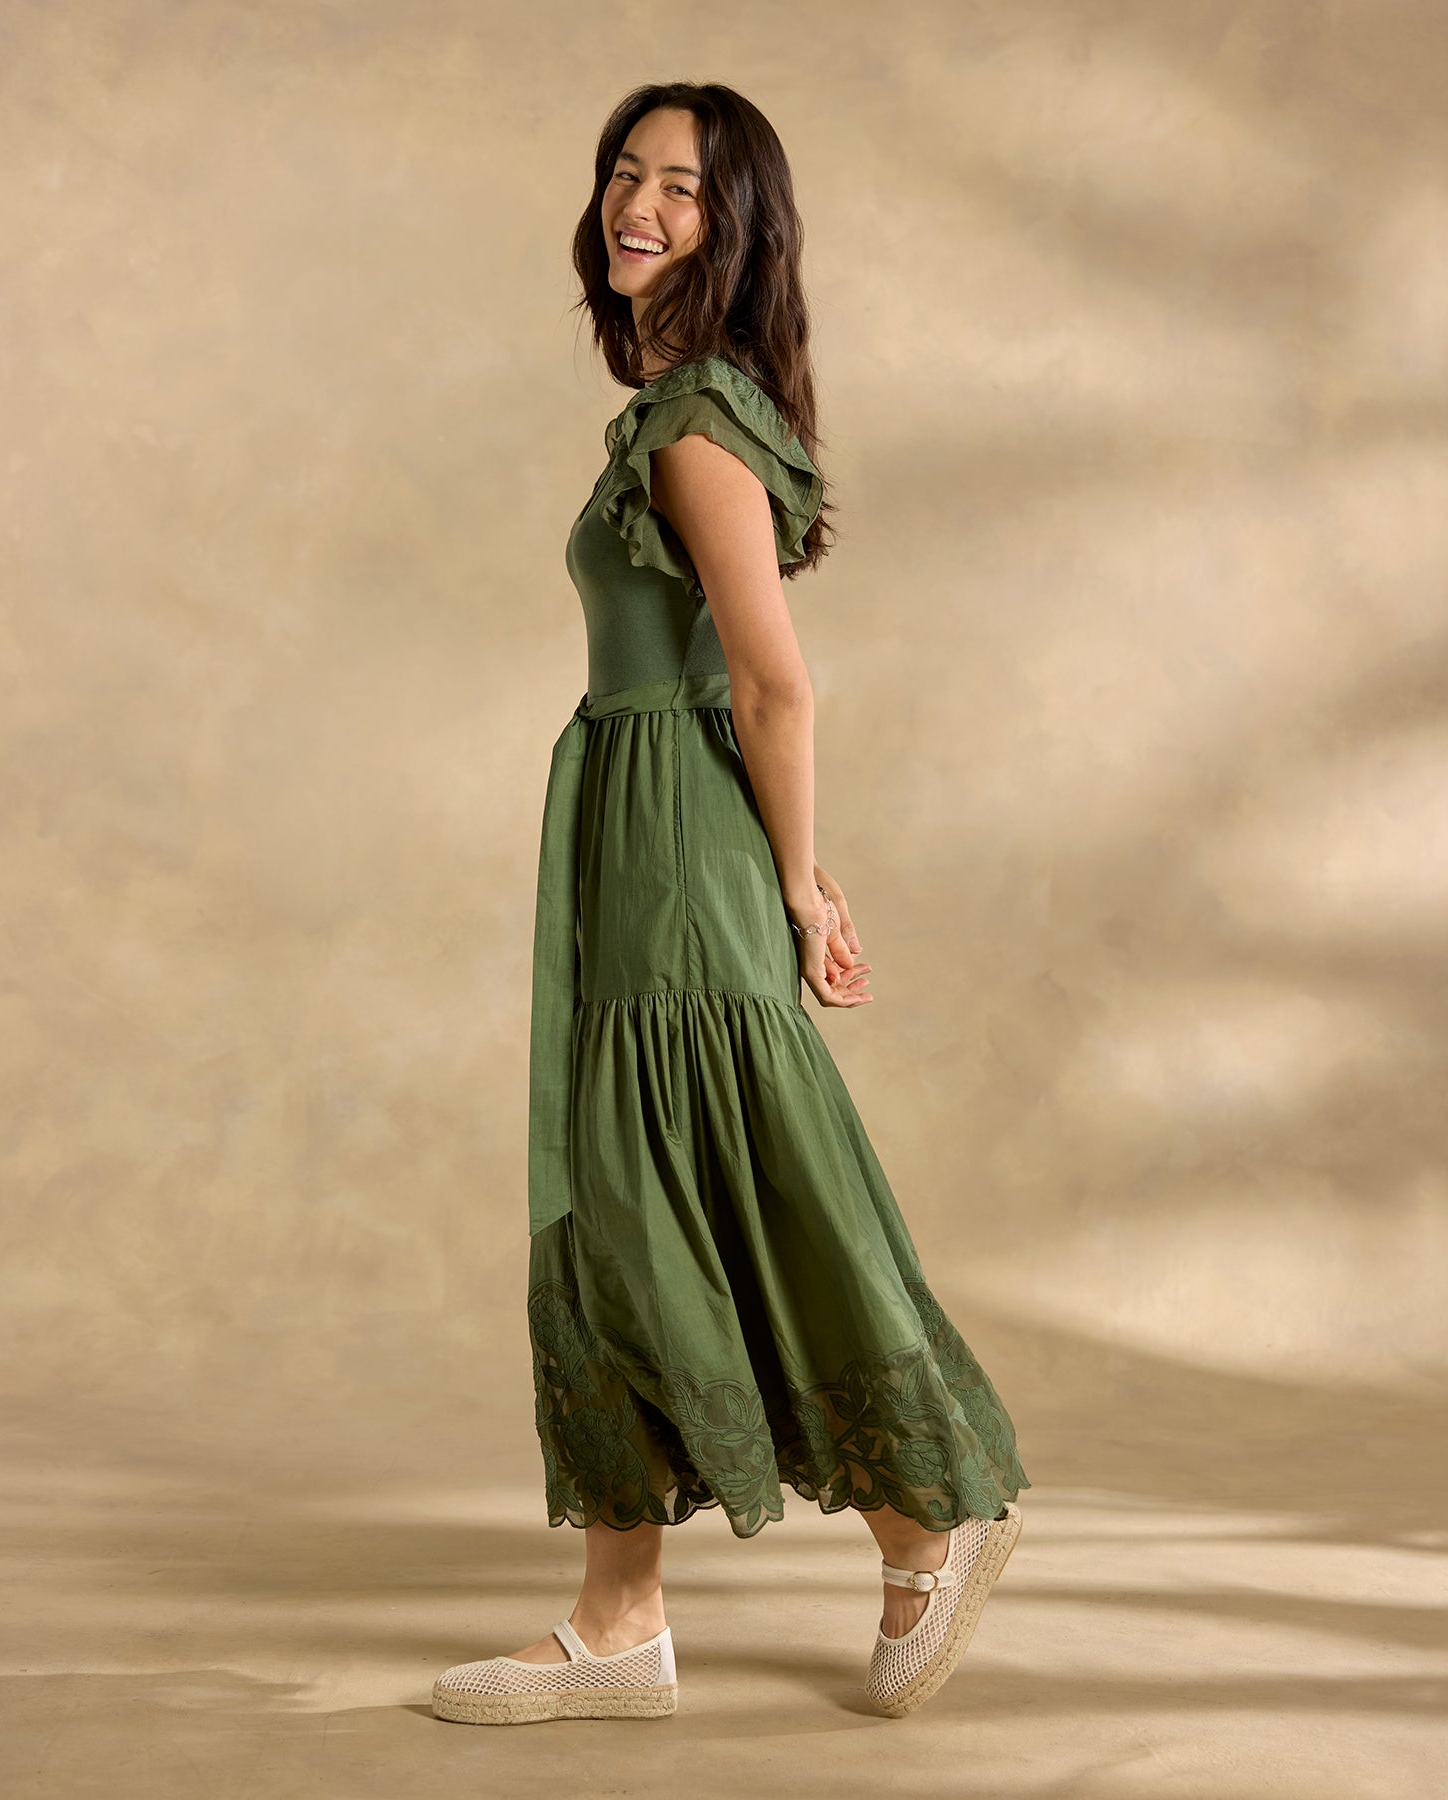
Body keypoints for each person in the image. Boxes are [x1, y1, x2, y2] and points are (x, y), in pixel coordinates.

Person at [433, 81, 1030, 1727]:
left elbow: (772, 683)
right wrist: (791, 868)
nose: (638, 205)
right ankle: (620, 1614)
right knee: (633, 1196)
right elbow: (729, 683)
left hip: (676, 844)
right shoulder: (674, 412)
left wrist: (793, 885)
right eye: (624, 174)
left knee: (714, 1185)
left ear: (737, 226)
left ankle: (923, 1519)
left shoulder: (697, 419)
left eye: (681, 188)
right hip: (649, 829)